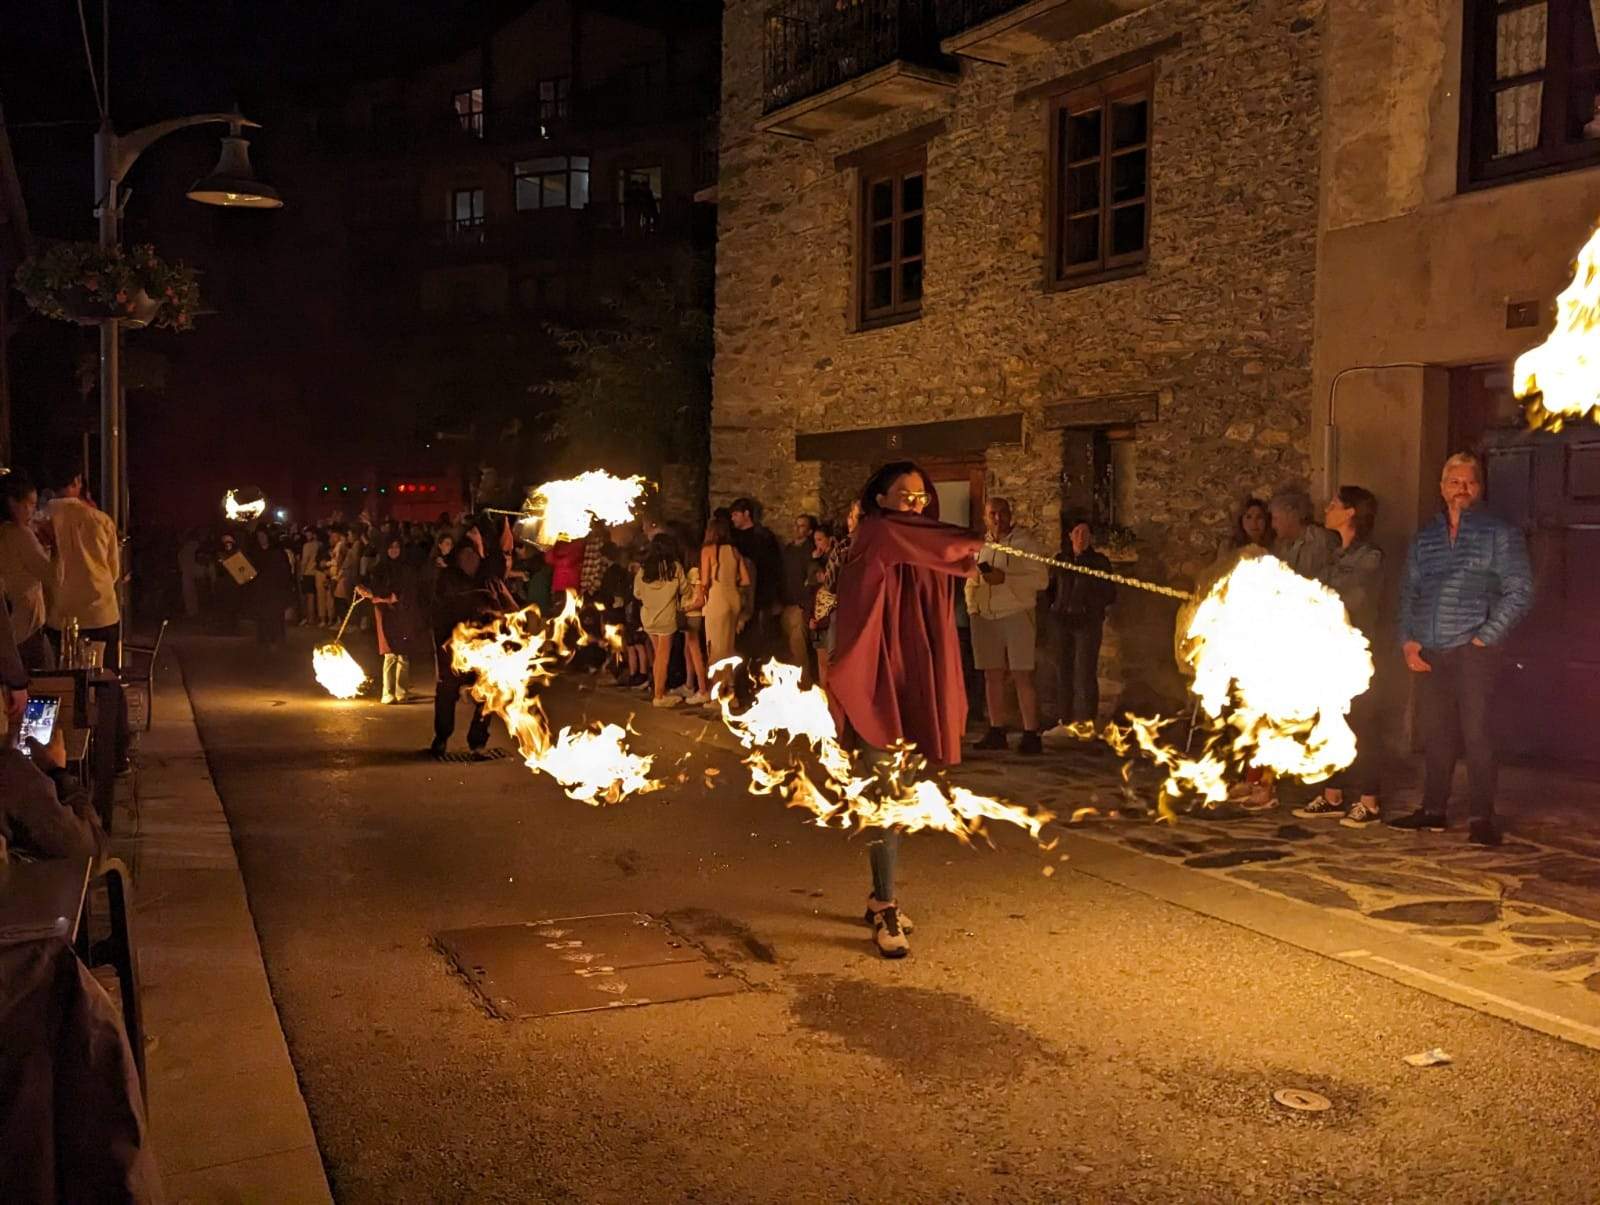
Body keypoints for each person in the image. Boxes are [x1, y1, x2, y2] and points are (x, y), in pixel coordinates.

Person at [829, 462, 984, 958]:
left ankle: (879, 896)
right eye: (905, 495)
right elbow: (949, 547)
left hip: (910, 674)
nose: (916, 503)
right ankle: (887, 906)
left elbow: (942, 561)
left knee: (897, 793)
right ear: (880, 498)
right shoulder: (879, 532)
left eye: (921, 497)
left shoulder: (912, 537)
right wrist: (976, 545)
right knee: (886, 794)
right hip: (878, 678)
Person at [1393, 453, 1534, 845]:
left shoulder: (1499, 535)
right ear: (1441, 489)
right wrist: (1407, 641)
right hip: (1431, 650)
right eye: (1453, 482)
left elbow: (1520, 591)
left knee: (1479, 735)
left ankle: (1482, 818)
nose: (1461, 489)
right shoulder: (1425, 539)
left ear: (1480, 488)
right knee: (1436, 734)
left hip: (1476, 651)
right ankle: (1433, 810)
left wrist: (1485, 638)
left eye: (1469, 482)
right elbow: (1408, 592)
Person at [1294, 486, 1386, 827]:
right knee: (1328, 722)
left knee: (1363, 724)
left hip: (1358, 656)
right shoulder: (1332, 554)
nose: (1327, 508)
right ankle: (1332, 794)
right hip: (1328, 653)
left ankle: (1369, 800)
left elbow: (1354, 600)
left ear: (1350, 513)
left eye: (1334, 504)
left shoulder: (1370, 556)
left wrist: (1314, 598)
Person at [966, 497, 1050, 755]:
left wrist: (1006, 579)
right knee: (991, 674)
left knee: (1021, 673)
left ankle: (1030, 732)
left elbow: (1041, 580)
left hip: (1016, 613)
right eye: (992, 514)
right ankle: (996, 729)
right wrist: (973, 607)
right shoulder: (981, 547)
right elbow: (971, 578)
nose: (998, 518)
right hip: (985, 616)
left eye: (1002, 513)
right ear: (985, 517)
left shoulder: (1026, 545)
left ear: (1010, 515)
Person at [431, 522, 515, 756]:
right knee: (447, 693)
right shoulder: (448, 577)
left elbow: (499, 562)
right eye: (465, 555)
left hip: (484, 648)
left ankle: (477, 743)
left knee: (488, 693)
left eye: (474, 555)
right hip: (455, 647)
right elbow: (440, 610)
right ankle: (442, 738)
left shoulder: (485, 575)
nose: (469, 560)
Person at [42, 468, 121, 668]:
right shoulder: (100, 519)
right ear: (77, 481)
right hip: (100, 613)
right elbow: (113, 570)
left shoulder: (39, 522)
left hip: (59, 617)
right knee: (103, 680)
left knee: (64, 682)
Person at [1049, 517, 1116, 733]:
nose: (1081, 538)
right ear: (1070, 536)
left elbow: (1109, 593)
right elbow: (1050, 589)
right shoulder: (1060, 560)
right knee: (1063, 670)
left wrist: (1090, 607)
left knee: (1085, 671)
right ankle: (1064, 719)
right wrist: (1053, 609)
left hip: (1087, 623)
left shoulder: (1100, 563)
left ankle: (1086, 721)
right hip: (1062, 622)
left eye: (1085, 534)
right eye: (1077, 533)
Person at [0, 471, 62, 670]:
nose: (33, 511)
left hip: (9, 628)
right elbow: (52, 576)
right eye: (30, 504)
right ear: (12, 503)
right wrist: (55, 546)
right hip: (27, 629)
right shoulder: (20, 534)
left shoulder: (5, 533)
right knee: (42, 691)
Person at [361, 536, 429, 704]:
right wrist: (376, 595)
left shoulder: (407, 569)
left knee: (403, 654)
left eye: (397, 547)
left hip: (403, 613)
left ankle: (402, 691)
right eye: (390, 547)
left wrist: (389, 597)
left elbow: (409, 591)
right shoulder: (379, 569)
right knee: (390, 653)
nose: (394, 550)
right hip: (385, 615)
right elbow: (376, 591)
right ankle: (388, 692)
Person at [634, 534, 688, 708]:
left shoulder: (643, 570)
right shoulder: (675, 568)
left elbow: (637, 593)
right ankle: (659, 695)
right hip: (666, 617)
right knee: (663, 657)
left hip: (648, 617)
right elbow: (685, 590)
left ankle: (659, 691)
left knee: (658, 655)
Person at [729, 497, 783, 659]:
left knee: (759, 639)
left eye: (736, 514)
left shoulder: (764, 537)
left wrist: (772, 597)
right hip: (740, 596)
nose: (733, 518)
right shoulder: (733, 538)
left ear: (747, 514)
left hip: (761, 595)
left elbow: (773, 567)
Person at [698, 513, 751, 672]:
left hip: (717, 599)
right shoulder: (734, 551)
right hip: (733, 599)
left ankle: (718, 689)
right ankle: (730, 688)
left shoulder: (708, 550)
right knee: (729, 646)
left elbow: (705, 581)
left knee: (714, 648)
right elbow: (746, 580)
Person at [779, 514, 820, 681]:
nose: (797, 528)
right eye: (796, 524)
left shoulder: (810, 551)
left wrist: (804, 604)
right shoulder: (788, 550)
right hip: (786, 604)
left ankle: (804, 682)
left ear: (809, 531)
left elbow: (811, 580)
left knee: (798, 645)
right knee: (790, 645)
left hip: (800, 604)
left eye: (802, 526)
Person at [1269, 487, 1335, 581]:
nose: (1273, 525)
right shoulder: (1280, 546)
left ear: (1291, 515)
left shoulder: (1322, 541)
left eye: (1275, 518)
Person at [248, 528, 295, 647]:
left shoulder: (277, 552)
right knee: (262, 615)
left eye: (263, 536)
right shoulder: (255, 552)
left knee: (275, 614)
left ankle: (277, 638)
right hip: (261, 589)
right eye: (259, 536)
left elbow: (285, 570)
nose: (261, 539)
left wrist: (285, 586)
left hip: (275, 589)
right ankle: (264, 638)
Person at [297, 529, 322, 625]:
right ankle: (315, 618)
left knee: (309, 597)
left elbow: (305, 561)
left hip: (308, 573)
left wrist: (301, 573)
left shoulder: (307, 546)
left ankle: (309, 619)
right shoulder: (319, 545)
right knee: (314, 597)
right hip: (316, 572)